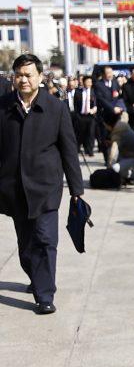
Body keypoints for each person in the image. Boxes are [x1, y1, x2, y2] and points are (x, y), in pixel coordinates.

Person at [0, 53, 84, 315]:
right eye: (19, 75)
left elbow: (69, 149)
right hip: (15, 188)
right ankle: (37, 276)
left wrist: (77, 190)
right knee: (26, 246)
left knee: (46, 241)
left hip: (46, 187)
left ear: (40, 77)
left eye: (28, 75)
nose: (23, 80)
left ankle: (45, 295)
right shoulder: (3, 107)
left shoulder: (55, 107)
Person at [106, 115, 134, 184]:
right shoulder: (121, 127)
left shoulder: (118, 131)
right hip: (129, 156)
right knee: (116, 167)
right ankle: (132, 175)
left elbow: (113, 151)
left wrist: (109, 169)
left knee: (115, 168)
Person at [73, 75, 98, 156]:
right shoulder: (78, 92)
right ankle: (77, 149)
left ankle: (89, 150)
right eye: (87, 82)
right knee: (80, 133)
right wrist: (77, 115)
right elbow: (75, 105)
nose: (89, 84)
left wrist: (95, 108)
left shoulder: (94, 92)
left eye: (90, 82)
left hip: (91, 116)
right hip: (81, 116)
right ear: (83, 82)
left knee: (91, 134)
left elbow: (97, 103)